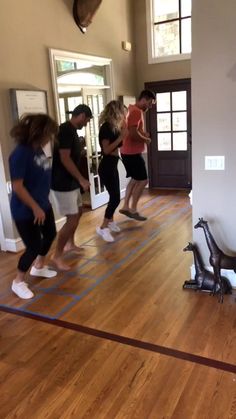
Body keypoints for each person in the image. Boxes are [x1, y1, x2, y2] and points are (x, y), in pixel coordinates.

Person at [9, 114, 59, 299]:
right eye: (49, 133)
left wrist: (43, 203)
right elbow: (17, 187)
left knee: (50, 234)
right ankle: (18, 281)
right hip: (25, 210)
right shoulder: (20, 154)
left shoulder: (38, 150)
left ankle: (38, 267)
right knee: (33, 245)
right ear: (39, 132)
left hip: (42, 204)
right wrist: (35, 207)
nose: (50, 137)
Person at [50, 104, 92, 270]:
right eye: (87, 120)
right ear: (81, 116)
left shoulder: (72, 131)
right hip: (62, 183)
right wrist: (81, 178)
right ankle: (56, 255)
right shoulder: (65, 130)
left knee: (79, 212)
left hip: (71, 182)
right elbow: (64, 158)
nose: (87, 123)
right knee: (72, 218)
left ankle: (70, 244)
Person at [119, 89, 156, 221]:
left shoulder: (133, 110)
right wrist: (146, 139)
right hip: (131, 152)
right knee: (143, 180)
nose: (150, 106)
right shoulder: (135, 112)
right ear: (144, 99)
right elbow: (132, 134)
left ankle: (125, 206)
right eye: (150, 103)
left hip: (127, 151)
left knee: (135, 179)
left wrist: (143, 134)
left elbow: (136, 130)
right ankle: (133, 209)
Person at [96, 100, 127, 242]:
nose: (124, 114)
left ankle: (111, 221)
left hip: (112, 165)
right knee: (115, 197)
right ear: (116, 112)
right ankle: (103, 227)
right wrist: (121, 137)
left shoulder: (114, 127)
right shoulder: (106, 128)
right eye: (122, 111)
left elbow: (121, 139)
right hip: (106, 166)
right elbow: (106, 150)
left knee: (114, 196)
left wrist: (123, 128)